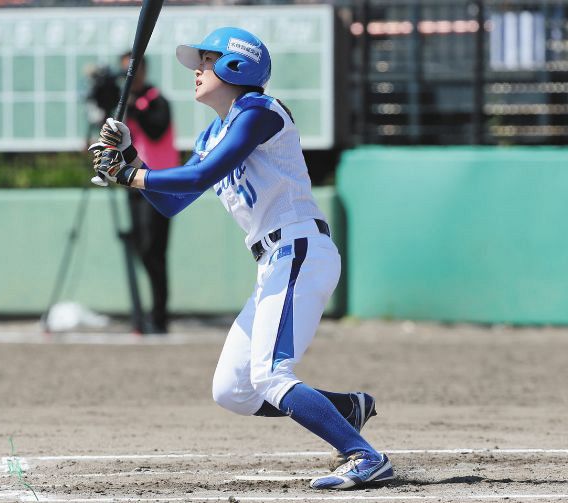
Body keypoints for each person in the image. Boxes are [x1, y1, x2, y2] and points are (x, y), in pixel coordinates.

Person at [89, 27, 394, 490]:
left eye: (206, 61)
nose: (196, 70)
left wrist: (130, 173)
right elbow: (174, 200)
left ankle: (363, 455)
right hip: (273, 260)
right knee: (232, 391)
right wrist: (130, 157)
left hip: (298, 248)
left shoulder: (259, 113)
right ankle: (346, 410)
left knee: (271, 375)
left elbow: (201, 175)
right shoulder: (214, 132)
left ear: (237, 65)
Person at [120, 52, 179, 334]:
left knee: (154, 251)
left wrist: (135, 107)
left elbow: (156, 131)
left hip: (159, 183)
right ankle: (147, 313)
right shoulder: (126, 107)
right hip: (133, 182)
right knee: (142, 249)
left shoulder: (157, 101)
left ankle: (159, 316)